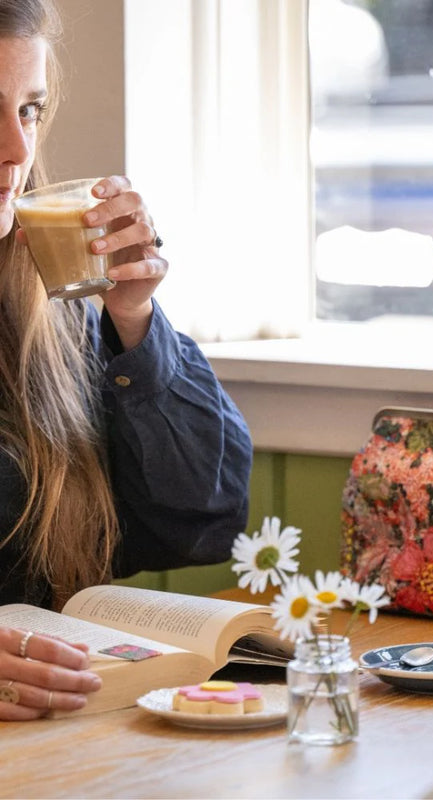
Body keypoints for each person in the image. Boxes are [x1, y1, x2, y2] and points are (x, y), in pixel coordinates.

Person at [0, 0, 253, 720]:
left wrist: (133, 318)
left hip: (69, 725)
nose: (17, 152)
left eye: (29, 111)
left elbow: (200, 521)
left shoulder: (49, 309)